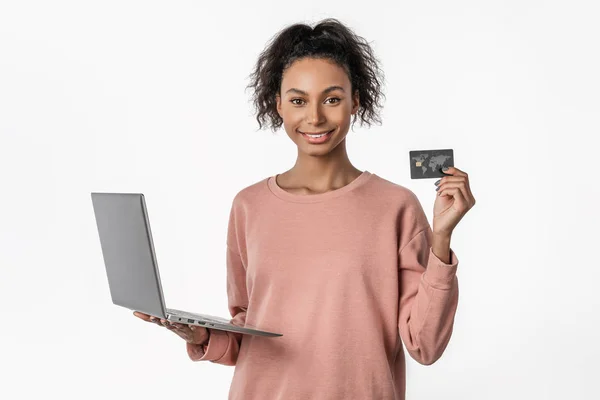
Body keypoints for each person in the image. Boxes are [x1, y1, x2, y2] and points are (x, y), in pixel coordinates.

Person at [134, 17, 476, 400]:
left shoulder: (395, 207)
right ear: (278, 104)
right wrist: (202, 335)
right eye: (298, 100)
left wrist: (441, 239)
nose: (314, 117)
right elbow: (250, 327)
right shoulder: (250, 205)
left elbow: (424, 345)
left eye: (331, 99)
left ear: (355, 101)